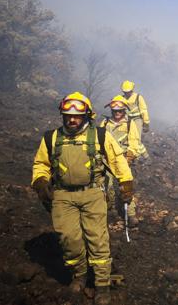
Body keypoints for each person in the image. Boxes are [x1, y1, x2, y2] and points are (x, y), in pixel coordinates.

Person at [32, 92, 134, 305]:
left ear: (87, 115)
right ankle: (79, 275)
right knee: (69, 239)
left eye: (76, 116)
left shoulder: (100, 136)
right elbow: (41, 164)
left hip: (93, 194)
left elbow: (117, 161)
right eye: (67, 115)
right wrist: (40, 182)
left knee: (97, 239)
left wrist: (126, 184)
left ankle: (102, 285)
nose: (72, 119)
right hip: (61, 196)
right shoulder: (51, 138)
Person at [100, 95, 144, 226]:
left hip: (123, 160)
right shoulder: (105, 123)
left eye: (120, 111)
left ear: (124, 110)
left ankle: (130, 215)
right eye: (115, 111)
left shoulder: (130, 124)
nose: (117, 113)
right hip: (106, 160)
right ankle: (111, 208)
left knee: (125, 188)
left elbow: (134, 142)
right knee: (106, 186)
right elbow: (98, 139)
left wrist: (130, 156)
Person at [120, 81, 150, 157]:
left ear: (132, 90)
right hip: (127, 121)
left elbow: (144, 110)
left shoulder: (138, 97)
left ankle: (144, 156)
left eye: (128, 92)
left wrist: (146, 123)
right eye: (125, 92)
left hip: (137, 120)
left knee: (136, 139)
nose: (127, 93)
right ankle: (134, 155)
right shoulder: (122, 98)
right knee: (127, 138)